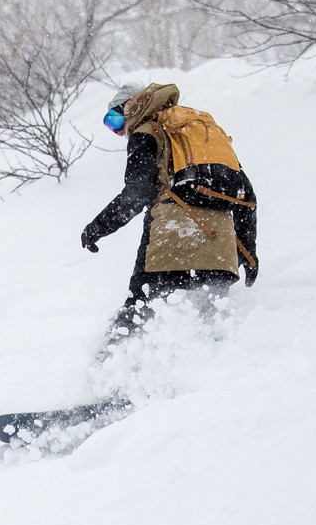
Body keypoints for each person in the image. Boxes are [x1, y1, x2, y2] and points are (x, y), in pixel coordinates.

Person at [80, 83, 258, 340]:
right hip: (220, 249)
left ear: (132, 106)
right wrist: (248, 253)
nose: (119, 131)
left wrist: (97, 228)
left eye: (116, 119)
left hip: (170, 239)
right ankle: (213, 373)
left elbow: (137, 193)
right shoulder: (197, 131)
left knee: (137, 314)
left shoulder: (146, 130)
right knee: (211, 326)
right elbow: (246, 197)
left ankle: (108, 372)